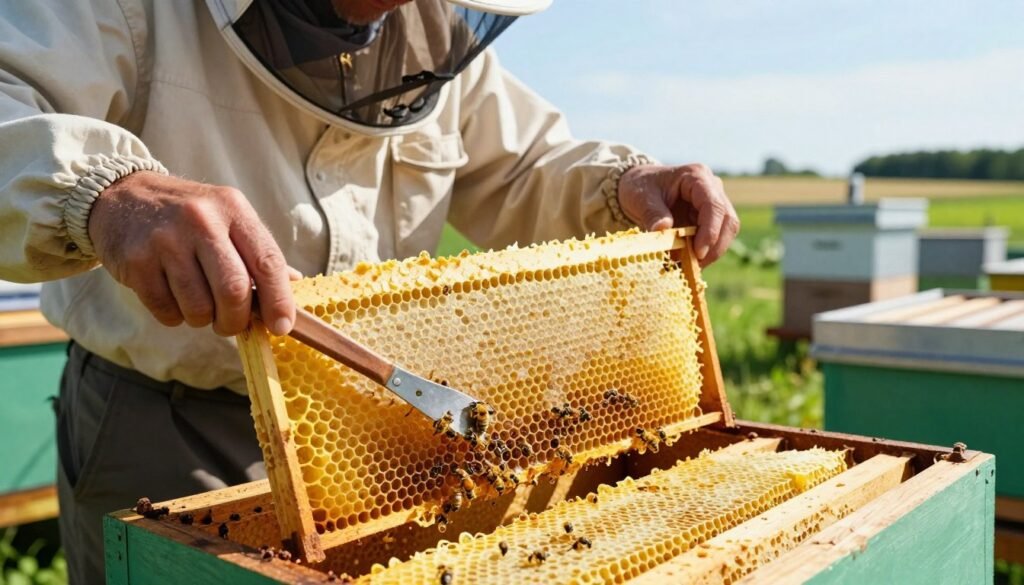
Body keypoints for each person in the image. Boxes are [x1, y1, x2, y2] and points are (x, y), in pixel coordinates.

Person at [0, 0, 739, 582]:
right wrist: (105, 194)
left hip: (384, 430)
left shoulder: (431, 28)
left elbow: (524, 166)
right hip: (169, 425)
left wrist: (620, 184)